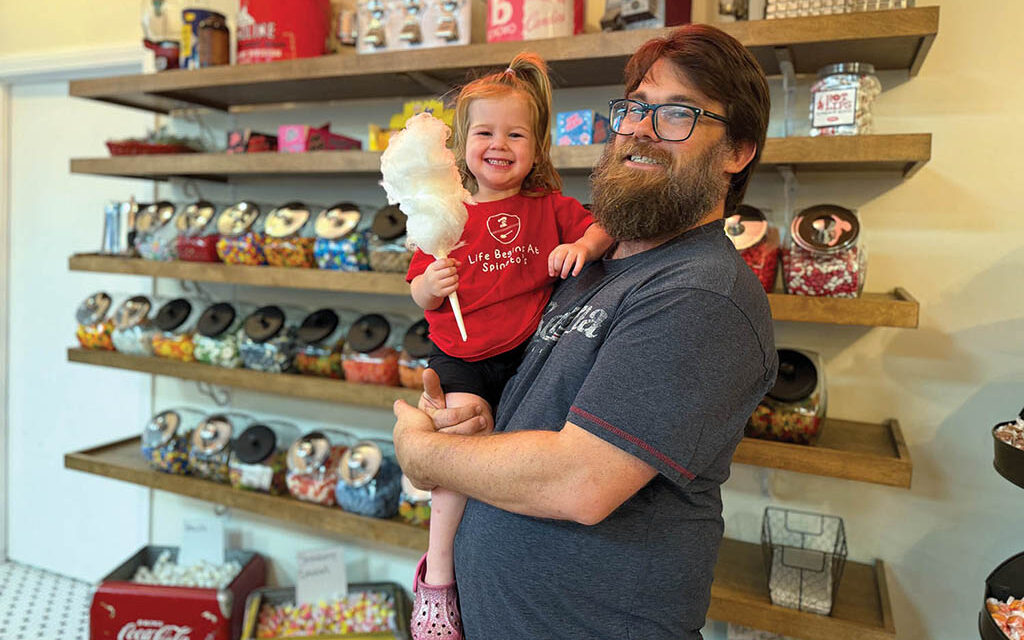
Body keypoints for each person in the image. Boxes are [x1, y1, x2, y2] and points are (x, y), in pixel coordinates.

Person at [394, 23, 777, 640]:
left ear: (737, 151)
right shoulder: (594, 263)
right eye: (635, 108)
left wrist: (427, 453)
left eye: (677, 114)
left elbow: (580, 482)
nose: (641, 130)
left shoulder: (699, 293)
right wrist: (470, 418)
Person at [403, 52, 614, 638]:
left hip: (529, 355)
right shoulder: (444, 212)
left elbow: (602, 228)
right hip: (460, 356)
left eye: (516, 134)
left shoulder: (550, 209)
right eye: (485, 133)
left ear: (537, 146)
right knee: (458, 450)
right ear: (461, 144)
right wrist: (431, 284)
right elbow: (417, 290)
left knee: (518, 460)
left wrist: (582, 248)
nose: (499, 144)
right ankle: (438, 578)